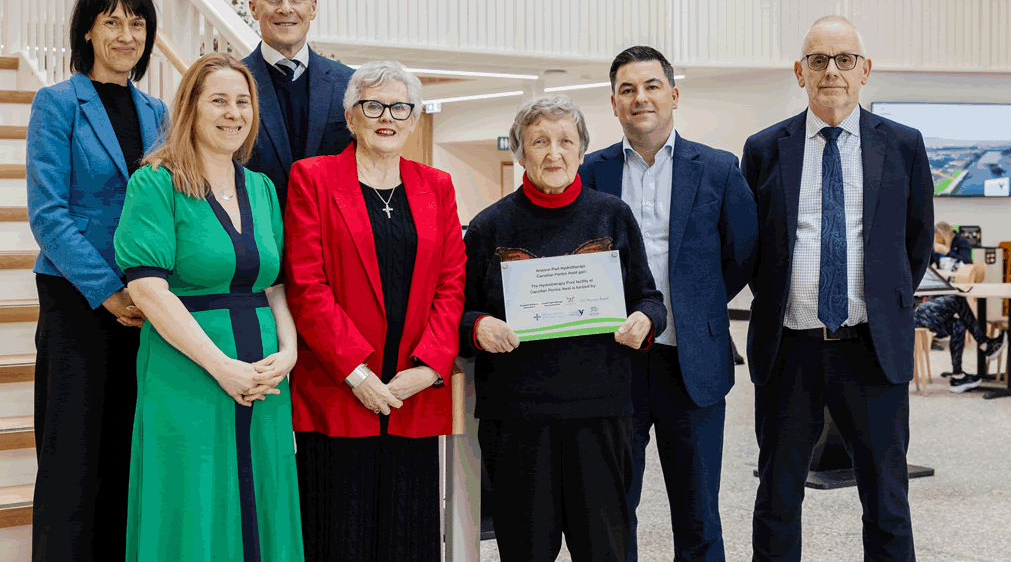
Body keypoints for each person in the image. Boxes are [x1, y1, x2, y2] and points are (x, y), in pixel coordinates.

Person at [740, 16, 933, 562]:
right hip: (789, 351)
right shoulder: (763, 149)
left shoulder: (903, 146)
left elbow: (915, 245)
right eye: (819, 60)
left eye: (844, 59)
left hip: (871, 349)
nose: (832, 72)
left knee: (887, 498)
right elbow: (752, 247)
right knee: (777, 495)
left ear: (865, 70)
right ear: (799, 71)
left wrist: (881, 302)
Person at [462, 94, 667, 562]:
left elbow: (649, 299)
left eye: (565, 141)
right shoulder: (490, 226)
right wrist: (480, 326)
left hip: (599, 411)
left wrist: (644, 319)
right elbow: (458, 312)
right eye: (539, 141)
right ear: (520, 151)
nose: (553, 153)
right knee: (525, 549)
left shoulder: (611, 215)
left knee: (605, 549)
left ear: (581, 151)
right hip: (518, 419)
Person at [115, 53, 301, 560]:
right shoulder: (155, 182)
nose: (233, 112)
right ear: (190, 109)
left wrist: (289, 351)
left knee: (263, 494)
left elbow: (276, 283)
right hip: (190, 370)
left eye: (243, 101)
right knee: (193, 499)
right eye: (218, 100)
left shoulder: (261, 187)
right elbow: (149, 291)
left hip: (264, 374)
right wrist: (223, 368)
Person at [580, 46, 758, 562]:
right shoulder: (589, 172)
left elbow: (742, 254)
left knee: (699, 513)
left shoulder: (719, 169)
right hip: (613, 365)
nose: (641, 98)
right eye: (628, 90)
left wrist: (698, 304)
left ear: (674, 95)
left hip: (692, 365)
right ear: (613, 104)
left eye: (652, 86)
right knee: (613, 510)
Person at [283, 62, 466, 562]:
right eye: (373, 105)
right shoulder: (313, 178)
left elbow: (453, 283)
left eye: (400, 107)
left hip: (412, 392)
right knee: (338, 534)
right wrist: (356, 373)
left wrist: (428, 369)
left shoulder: (438, 185)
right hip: (338, 390)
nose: (387, 117)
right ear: (351, 116)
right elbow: (306, 284)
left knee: (410, 534)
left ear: (413, 120)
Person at [25, 0, 167, 562]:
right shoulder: (58, 103)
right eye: (112, 21)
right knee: (72, 456)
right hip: (78, 300)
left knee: (129, 451)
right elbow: (49, 215)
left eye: (136, 23)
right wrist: (109, 292)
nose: (126, 34)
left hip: (150, 303)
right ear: (88, 29)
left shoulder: (158, 110)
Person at [241, 0, 356, 202]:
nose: (285, 9)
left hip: (329, 235)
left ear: (313, 7)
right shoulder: (232, 83)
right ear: (252, 8)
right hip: (254, 234)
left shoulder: (349, 84)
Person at [913, 294, 1003, 392]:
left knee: (958, 325)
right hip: (910, 313)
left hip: (918, 306)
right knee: (957, 299)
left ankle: (958, 376)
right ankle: (985, 344)